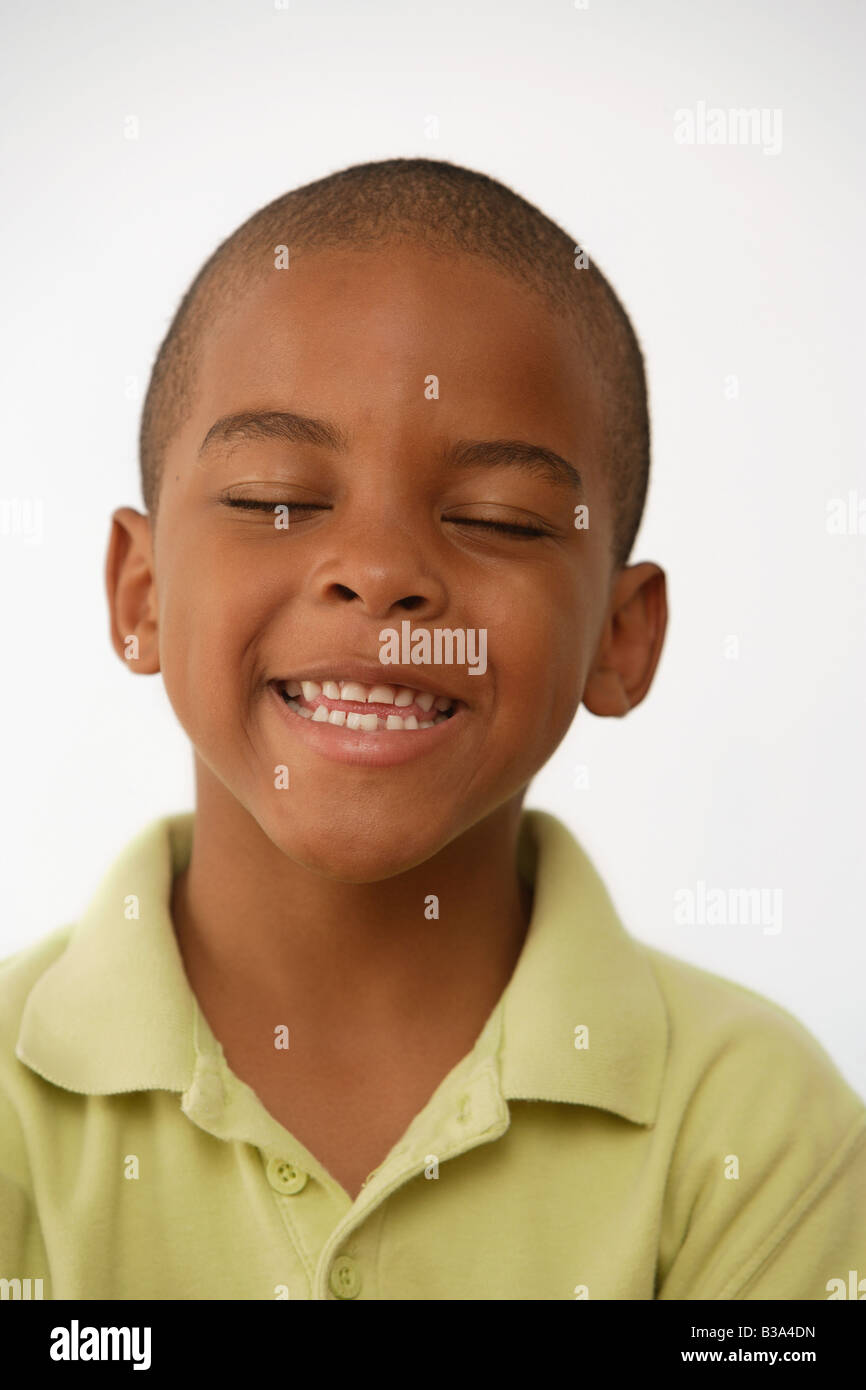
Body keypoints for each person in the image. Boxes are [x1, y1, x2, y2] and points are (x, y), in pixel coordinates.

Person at [2, 159, 863, 1300]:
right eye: (279, 500)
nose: (377, 572)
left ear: (619, 634)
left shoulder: (753, 1125)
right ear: (141, 592)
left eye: (493, 519)